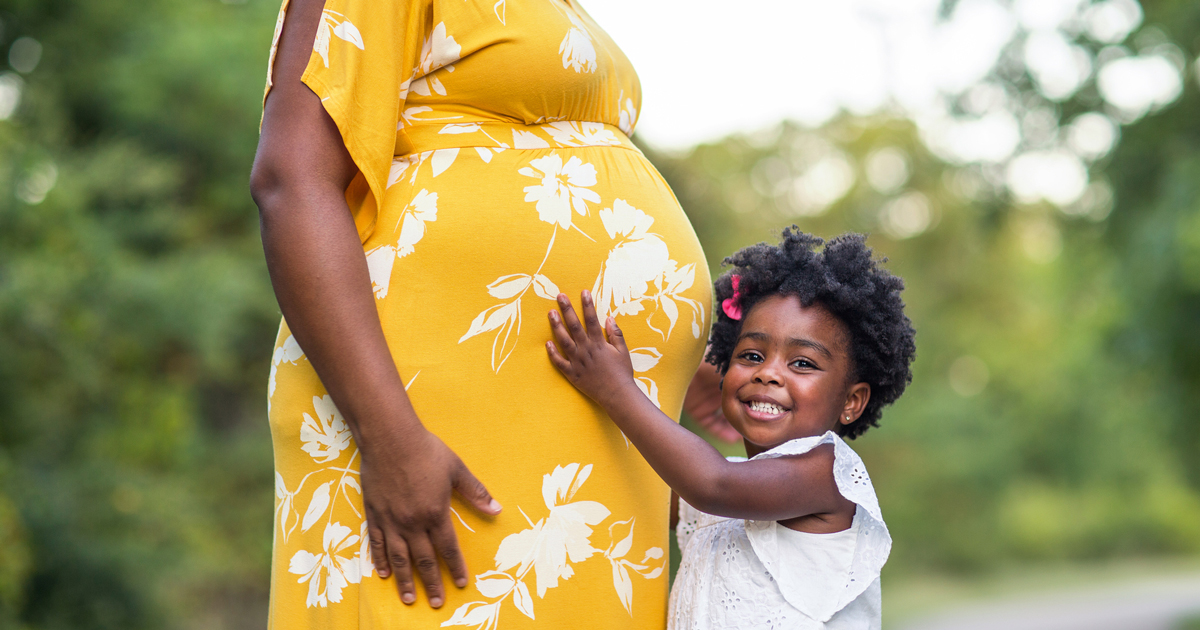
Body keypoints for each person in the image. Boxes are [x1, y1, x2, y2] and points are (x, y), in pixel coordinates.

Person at [249, 0, 712, 627]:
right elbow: (291, 178)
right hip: (424, 406)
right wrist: (389, 437)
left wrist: (674, 348)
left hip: (578, 427)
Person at [546, 229, 917, 630]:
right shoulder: (724, 491)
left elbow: (713, 483)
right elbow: (640, 487)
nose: (768, 373)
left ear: (851, 402)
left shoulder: (828, 475)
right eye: (752, 355)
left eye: (803, 363)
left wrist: (616, 389)